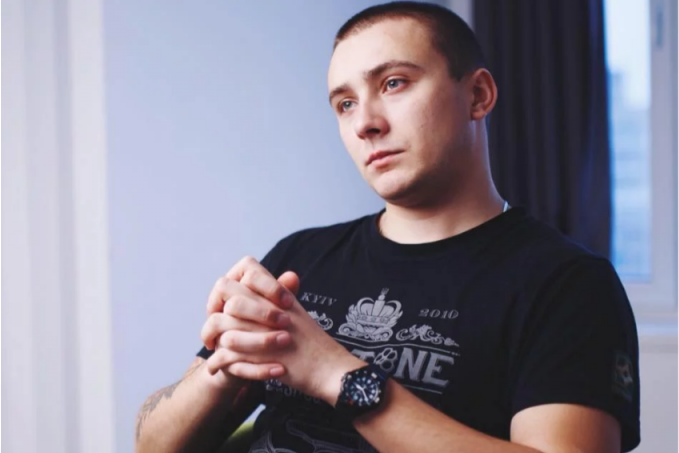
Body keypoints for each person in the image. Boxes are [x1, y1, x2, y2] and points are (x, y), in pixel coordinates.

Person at [134, 2, 640, 452]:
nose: (365, 123)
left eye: (393, 83)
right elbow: (151, 447)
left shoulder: (568, 284)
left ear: (478, 95)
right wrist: (222, 368)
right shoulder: (300, 257)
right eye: (345, 104)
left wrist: (334, 372)